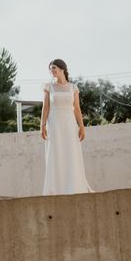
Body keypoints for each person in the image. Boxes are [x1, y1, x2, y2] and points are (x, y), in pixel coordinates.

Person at [41, 59, 94, 195]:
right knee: (56, 153)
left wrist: (82, 127)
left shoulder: (73, 87)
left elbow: (76, 108)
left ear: (62, 69)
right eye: (50, 69)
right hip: (54, 123)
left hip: (70, 123)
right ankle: (55, 189)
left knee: (71, 153)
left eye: (53, 68)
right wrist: (42, 125)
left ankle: (73, 187)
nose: (51, 71)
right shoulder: (49, 87)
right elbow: (45, 107)